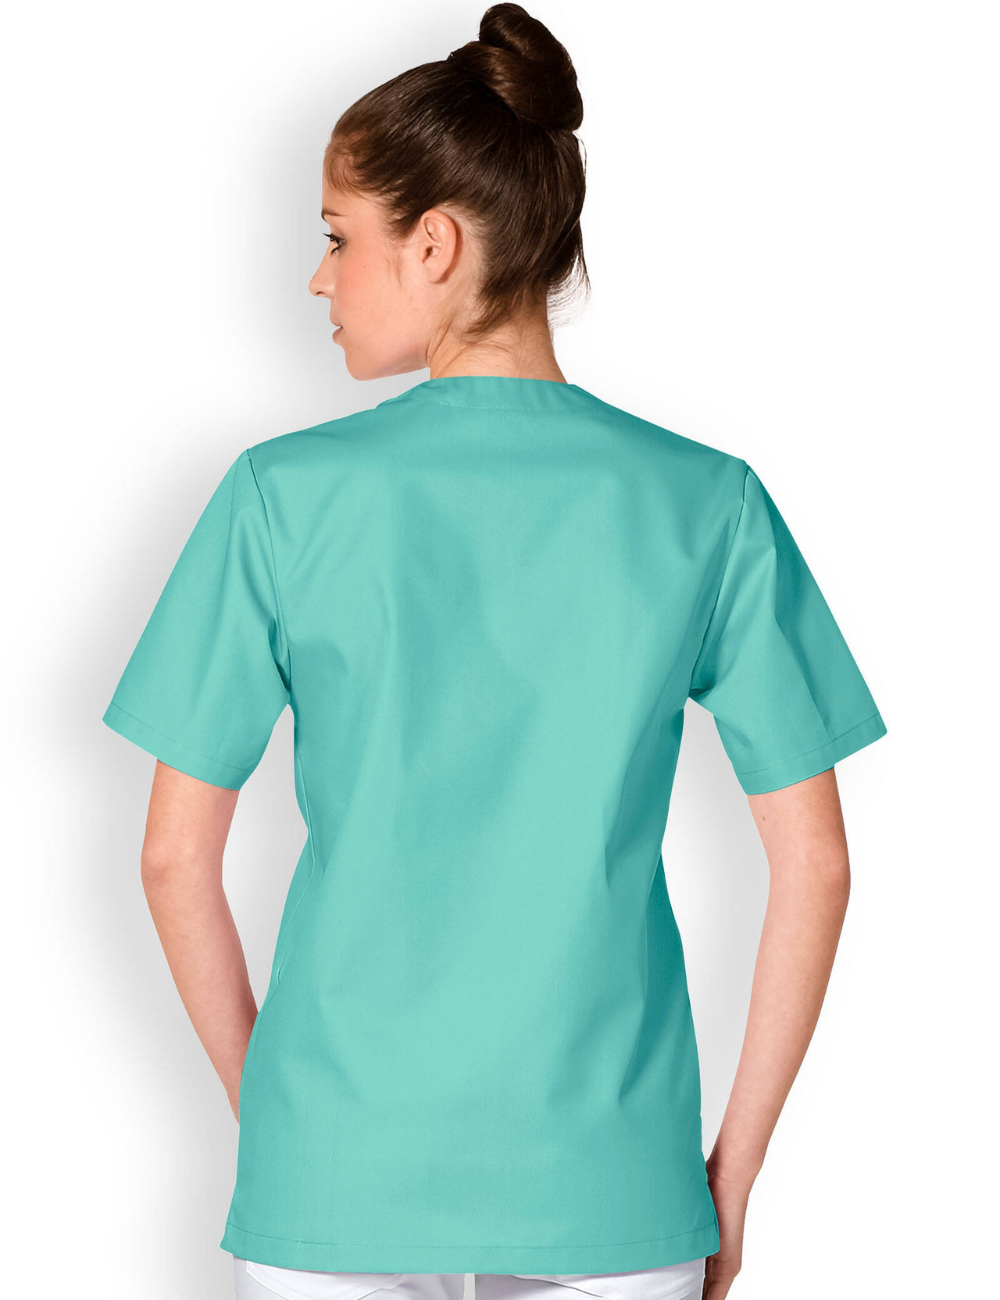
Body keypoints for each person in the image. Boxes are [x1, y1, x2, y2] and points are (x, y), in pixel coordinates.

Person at [101, 7, 887, 1300]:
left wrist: (285, 1129)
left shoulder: (279, 499)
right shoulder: (707, 503)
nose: (317, 280)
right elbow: (819, 863)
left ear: (436, 244)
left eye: (336, 238)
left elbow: (172, 858)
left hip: (336, 1174)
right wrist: (731, 1175)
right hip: (614, 1186)